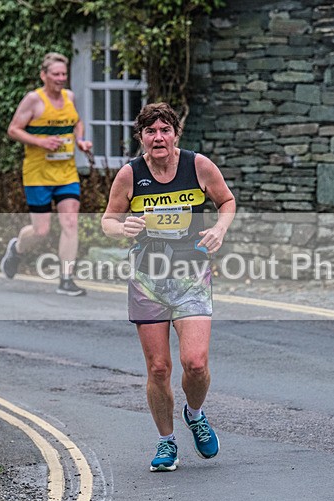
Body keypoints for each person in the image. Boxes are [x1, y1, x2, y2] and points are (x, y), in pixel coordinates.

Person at [101, 102, 235, 472]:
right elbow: (109, 219)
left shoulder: (198, 166)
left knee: (195, 362)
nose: (158, 137)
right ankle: (166, 442)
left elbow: (226, 201)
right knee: (158, 368)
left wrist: (220, 229)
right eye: (150, 131)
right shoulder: (130, 175)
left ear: (175, 134)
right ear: (141, 137)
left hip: (192, 273)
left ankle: (195, 413)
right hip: (148, 278)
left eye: (164, 130)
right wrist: (121, 227)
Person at [0, 52, 92, 296]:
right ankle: (17, 249)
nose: (61, 78)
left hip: (66, 173)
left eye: (64, 74)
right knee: (41, 231)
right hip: (38, 174)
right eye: (56, 74)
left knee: (71, 222)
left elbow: (76, 123)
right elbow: (13, 129)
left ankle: (66, 279)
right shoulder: (33, 100)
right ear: (44, 75)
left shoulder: (69, 96)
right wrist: (40, 142)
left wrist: (80, 141)